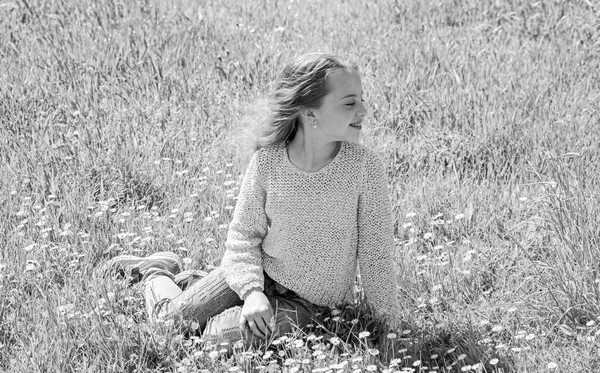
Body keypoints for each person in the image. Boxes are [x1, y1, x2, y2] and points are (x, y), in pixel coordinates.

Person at [105, 52, 400, 350]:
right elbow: (243, 237)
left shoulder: (364, 168)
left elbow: (377, 256)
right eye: (350, 103)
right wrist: (252, 292)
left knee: (212, 339)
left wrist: (390, 331)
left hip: (310, 306)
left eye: (361, 99)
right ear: (310, 113)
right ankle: (156, 271)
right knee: (169, 324)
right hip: (256, 275)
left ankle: (192, 285)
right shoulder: (267, 163)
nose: (363, 109)